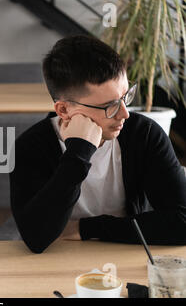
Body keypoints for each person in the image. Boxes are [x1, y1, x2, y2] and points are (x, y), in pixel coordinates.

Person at [10, 35, 186, 254]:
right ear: (64, 110)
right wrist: (79, 153)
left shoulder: (144, 134)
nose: (124, 114)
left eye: (125, 96)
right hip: (55, 259)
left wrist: (86, 228)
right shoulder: (30, 148)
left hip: (123, 253)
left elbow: (182, 222)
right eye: (109, 106)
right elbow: (36, 238)